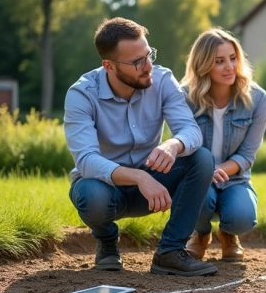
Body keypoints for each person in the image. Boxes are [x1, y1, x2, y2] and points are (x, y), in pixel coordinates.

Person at [64, 17, 217, 277]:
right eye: (137, 62)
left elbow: (191, 131)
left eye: (149, 55)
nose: (148, 66)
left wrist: (173, 144)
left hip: (154, 186)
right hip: (107, 188)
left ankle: (170, 252)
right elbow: (86, 160)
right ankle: (107, 240)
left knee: (201, 158)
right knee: (90, 195)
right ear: (108, 65)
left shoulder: (162, 79)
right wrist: (139, 176)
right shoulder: (81, 94)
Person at [180, 29, 266, 261]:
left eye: (233, 58)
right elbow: (182, 147)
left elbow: (247, 155)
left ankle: (229, 234)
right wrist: (205, 172)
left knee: (242, 217)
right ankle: (200, 234)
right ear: (203, 64)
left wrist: (219, 170)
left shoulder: (257, 98)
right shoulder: (185, 98)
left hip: (235, 178)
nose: (229, 66)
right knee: (199, 200)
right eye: (219, 61)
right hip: (196, 175)